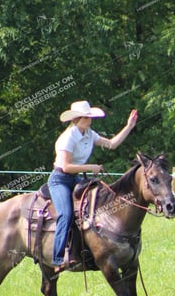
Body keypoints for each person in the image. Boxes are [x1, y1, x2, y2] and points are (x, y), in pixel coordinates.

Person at [49, 100, 138, 274]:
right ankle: (58, 258)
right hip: (60, 180)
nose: (90, 120)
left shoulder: (89, 134)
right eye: (87, 117)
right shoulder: (67, 138)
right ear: (77, 119)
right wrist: (91, 167)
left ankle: (93, 244)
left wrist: (129, 126)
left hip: (76, 178)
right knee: (66, 215)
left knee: (101, 198)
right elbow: (66, 167)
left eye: (90, 117)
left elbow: (111, 144)